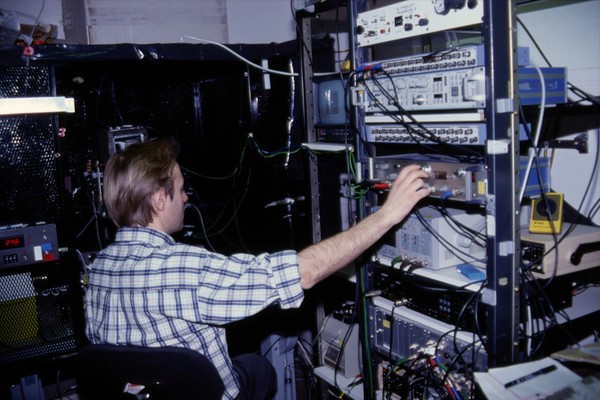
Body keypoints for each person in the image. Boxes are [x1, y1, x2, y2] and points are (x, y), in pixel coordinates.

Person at [85, 136, 431, 400]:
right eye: (180, 188)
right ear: (160, 200)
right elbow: (303, 272)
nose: (186, 197)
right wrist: (387, 215)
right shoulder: (182, 268)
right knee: (260, 368)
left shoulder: (97, 269)